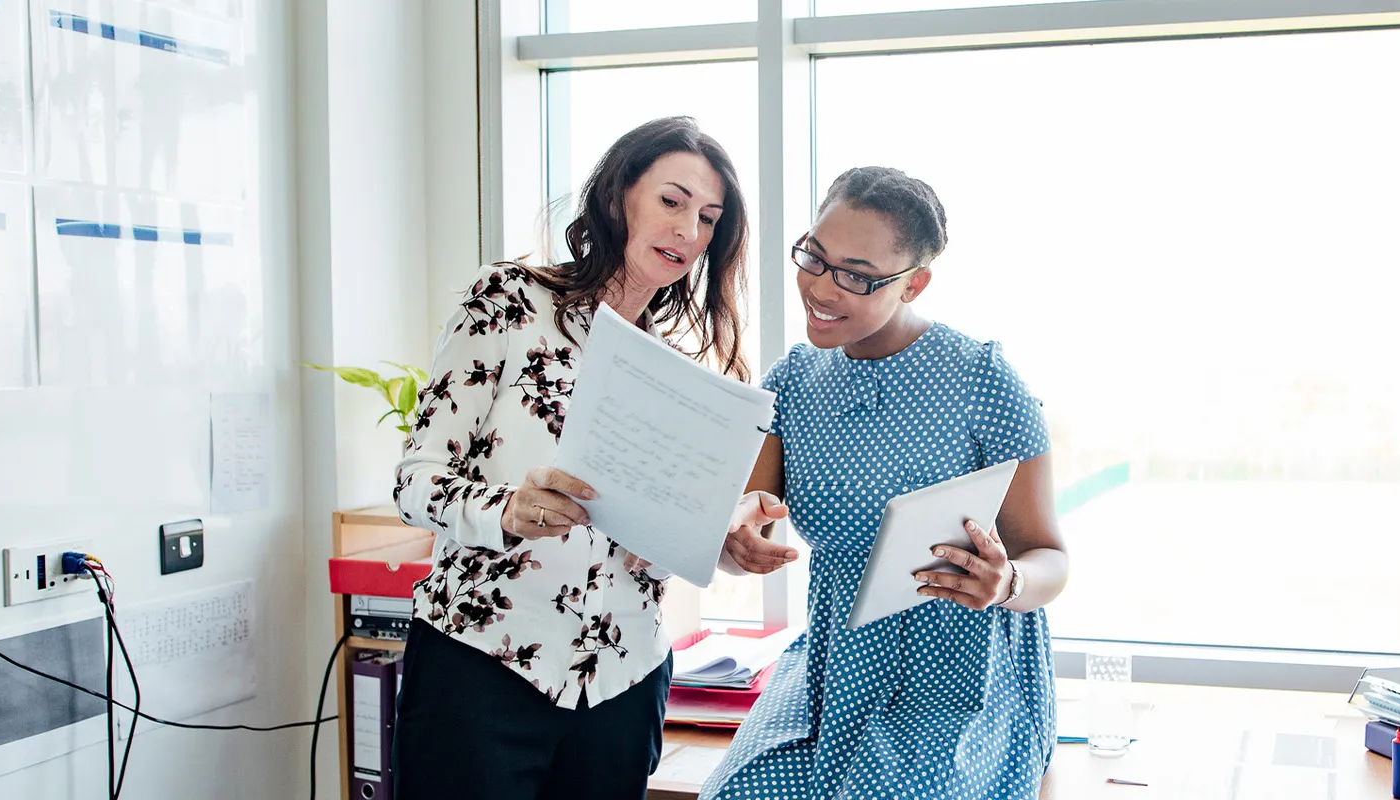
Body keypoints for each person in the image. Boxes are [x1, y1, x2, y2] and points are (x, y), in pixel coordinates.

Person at [389, 116, 753, 799]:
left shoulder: (681, 370)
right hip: (482, 663)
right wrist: (509, 509)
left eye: (708, 218)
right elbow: (416, 483)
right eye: (672, 202)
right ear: (618, 198)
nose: (689, 231)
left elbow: (661, 529)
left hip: (623, 681)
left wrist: (723, 538)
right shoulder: (509, 302)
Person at [702, 166, 1070, 800]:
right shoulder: (792, 382)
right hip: (832, 666)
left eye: (857, 276)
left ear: (915, 283)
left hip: (961, 674)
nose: (822, 287)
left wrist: (1005, 581)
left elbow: (1051, 559)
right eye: (814, 257)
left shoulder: (982, 379)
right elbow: (741, 533)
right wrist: (737, 547)